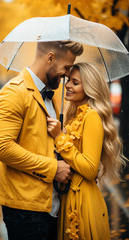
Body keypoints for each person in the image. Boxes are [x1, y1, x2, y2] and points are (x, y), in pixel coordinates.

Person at [0, 41, 83, 240]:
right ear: (50, 58)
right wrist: (53, 169)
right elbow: (0, 146)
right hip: (25, 211)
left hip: (49, 205)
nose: (68, 74)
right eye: (67, 67)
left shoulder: (50, 96)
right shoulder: (14, 92)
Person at [47, 62, 126, 240]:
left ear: (89, 88)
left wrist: (60, 137)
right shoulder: (74, 116)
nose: (67, 85)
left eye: (75, 83)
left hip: (83, 202)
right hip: (69, 196)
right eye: (68, 80)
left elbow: (90, 170)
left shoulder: (92, 117)